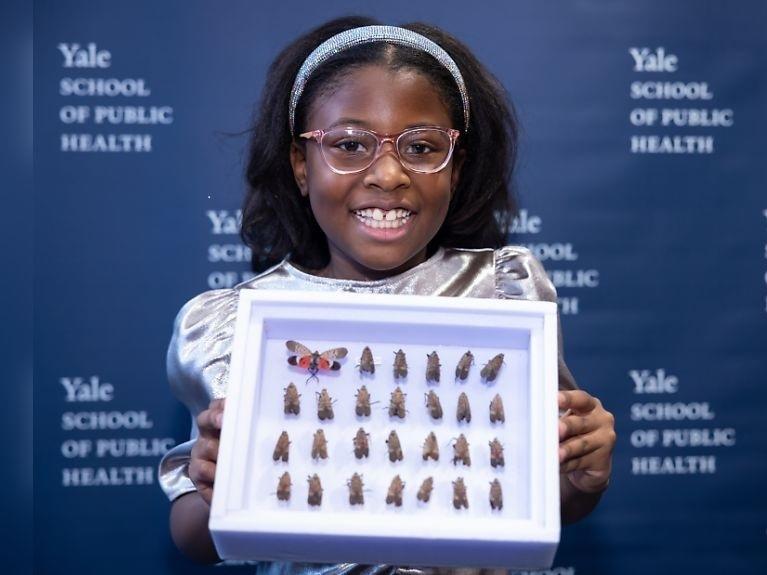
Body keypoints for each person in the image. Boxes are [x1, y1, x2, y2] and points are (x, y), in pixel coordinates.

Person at [159, 15, 616, 571]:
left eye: (422, 148)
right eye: (349, 144)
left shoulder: (504, 294)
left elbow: (548, 501)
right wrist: (215, 485)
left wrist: (581, 472)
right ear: (301, 165)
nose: (389, 173)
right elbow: (192, 534)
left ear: (456, 167)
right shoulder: (235, 327)